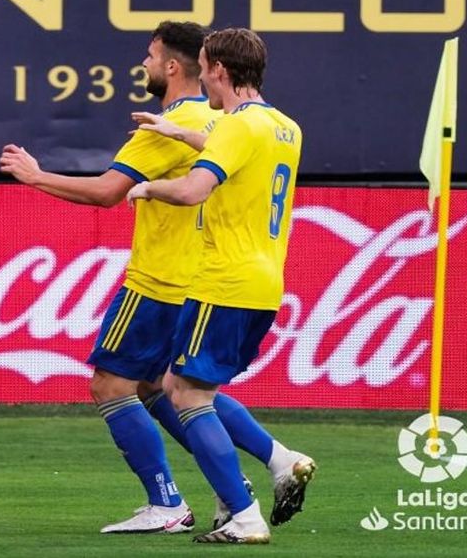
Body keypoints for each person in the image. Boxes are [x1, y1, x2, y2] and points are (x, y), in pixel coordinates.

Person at [0, 21, 217, 534]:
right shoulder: (216, 120)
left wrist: (35, 176)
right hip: (200, 278)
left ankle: (167, 503)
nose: (143, 64)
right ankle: (236, 485)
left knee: (110, 384)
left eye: (150, 56)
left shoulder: (166, 126)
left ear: (172, 66)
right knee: (160, 387)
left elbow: (106, 191)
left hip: (157, 282)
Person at [127, 28, 313, 545]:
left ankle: (244, 514)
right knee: (180, 385)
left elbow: (193, 190)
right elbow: (236, 150)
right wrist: (180, 133)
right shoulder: (284, 126)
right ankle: (279, 462)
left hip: (222, 280)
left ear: (220, 71)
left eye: (206, 67)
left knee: (187, 396)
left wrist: (148, 186)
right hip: (264, 281)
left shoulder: (235, 124)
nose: (203, 78)